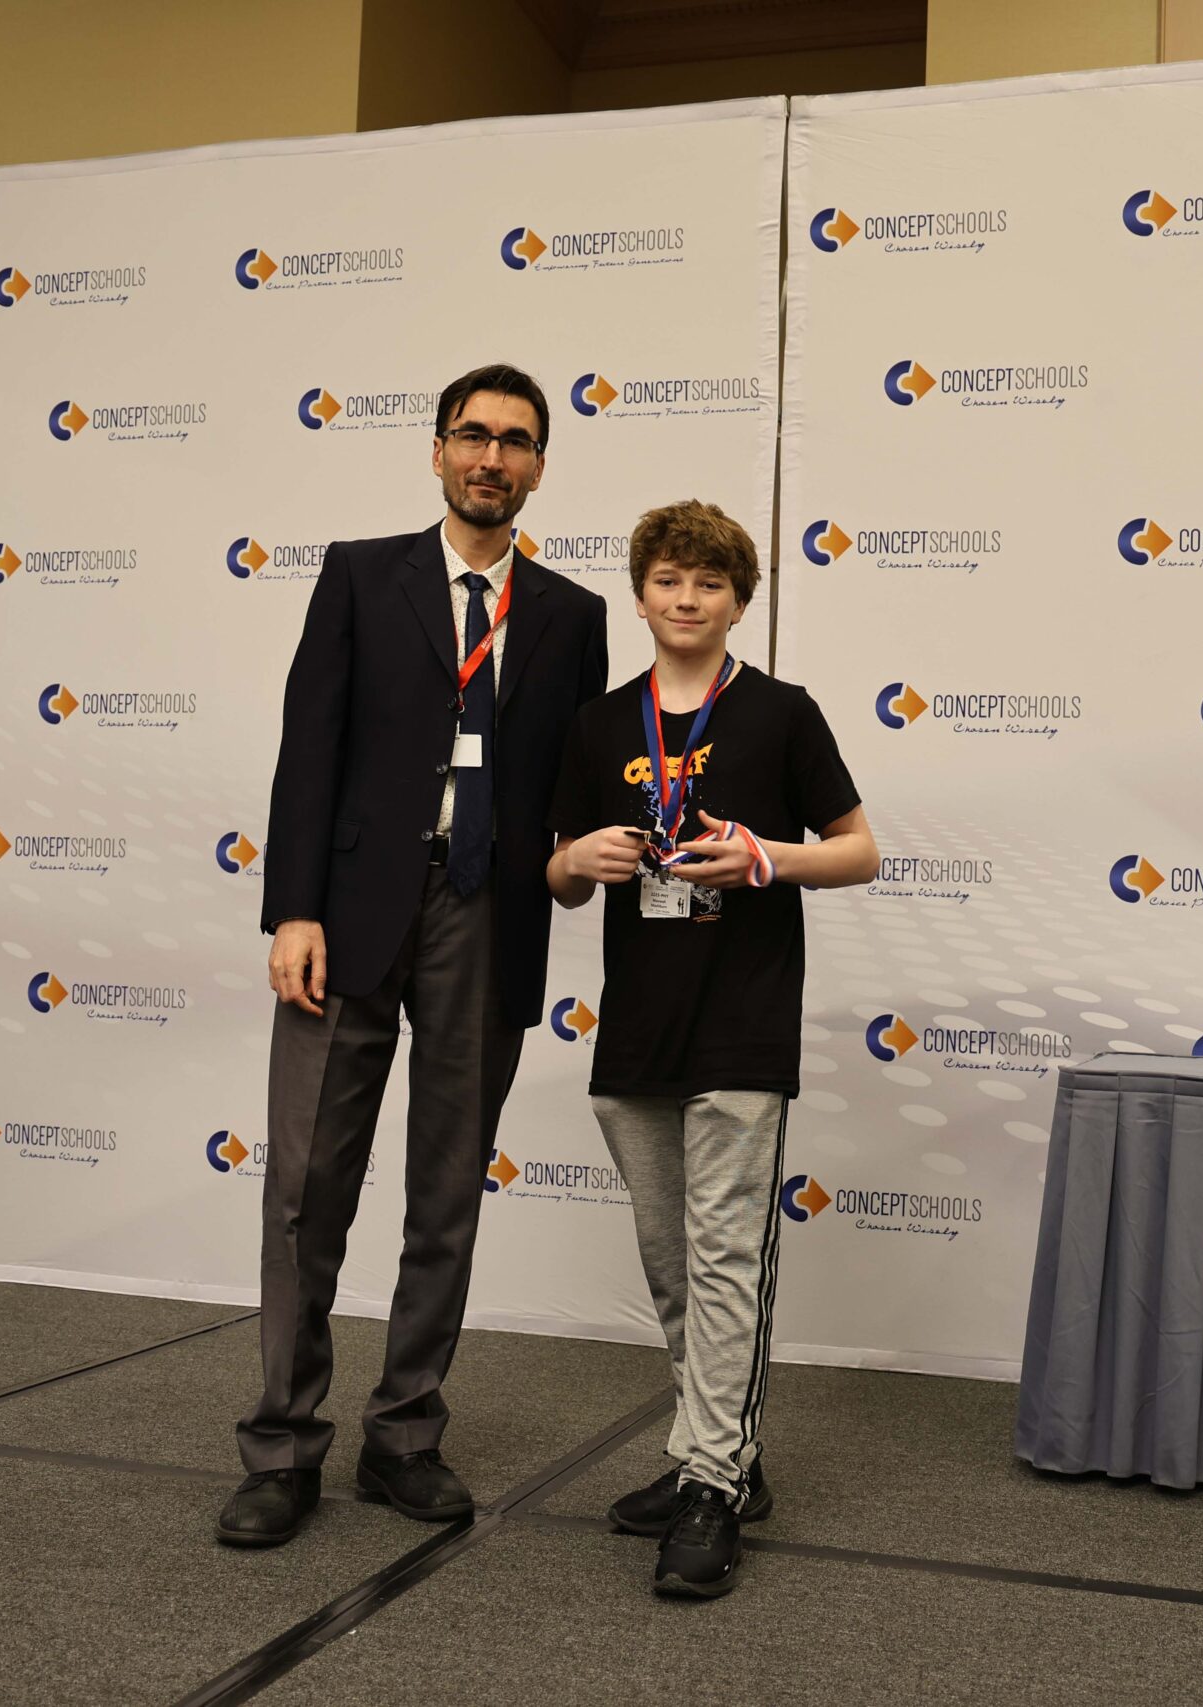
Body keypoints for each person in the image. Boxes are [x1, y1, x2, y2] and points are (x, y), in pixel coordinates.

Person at [219, 363, 610, 1549]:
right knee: (305, 1190)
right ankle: (283, 1446)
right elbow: (309, 746)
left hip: (487, 914)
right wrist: (292, 910)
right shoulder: (358, 575)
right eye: (473, 435)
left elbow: (569, 792)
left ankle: (404, 1436)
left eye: (516, 441)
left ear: (539, 467)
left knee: (445, 1192)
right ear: (436, 451)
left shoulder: (572, 616)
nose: (492, 458)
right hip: (346, 915)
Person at [545, 499, 876, 1598]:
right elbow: (556, 873)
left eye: (710, 584)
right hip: (636, 1031)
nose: (687, 600)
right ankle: (720, 1454)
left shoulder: (781, 713)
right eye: (669, 581)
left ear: (739, 603)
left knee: (726, 1259)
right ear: (641, 595)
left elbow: (860, 851)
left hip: (741, 1023)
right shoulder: (601, 725)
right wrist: (579, 859)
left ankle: (709, 1488)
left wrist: (763, 858)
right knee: (671, 1264)